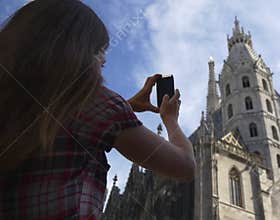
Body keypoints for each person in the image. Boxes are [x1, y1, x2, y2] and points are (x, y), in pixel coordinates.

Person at [0, 0, 195, 219]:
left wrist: (127, 106)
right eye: (99, 51)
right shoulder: (100, 104)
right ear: (75, 51)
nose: (104, 60)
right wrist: (170, 119)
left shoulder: (12, 100)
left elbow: (61, 117)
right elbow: (185, 167)